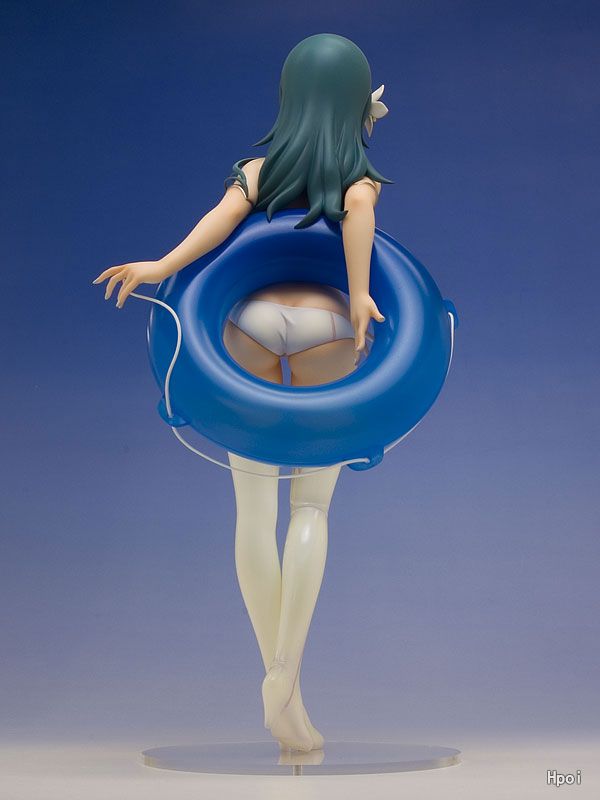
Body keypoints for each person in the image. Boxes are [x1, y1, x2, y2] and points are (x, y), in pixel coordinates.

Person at [93, 33, 391, 752]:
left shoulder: (257, 170)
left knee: (252, 510)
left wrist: (160, 264)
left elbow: (220, 223)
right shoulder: (358, 177)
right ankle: (285, 676)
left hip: (248, 322)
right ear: (354, 105)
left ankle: (276, 680)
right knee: (310, 505)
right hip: (324, 324)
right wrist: (358, 297)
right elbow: (359, 218)